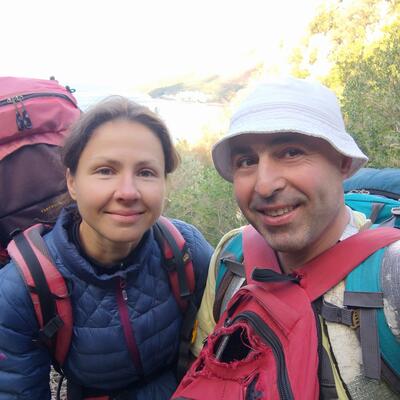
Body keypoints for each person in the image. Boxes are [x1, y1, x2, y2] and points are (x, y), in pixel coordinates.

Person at [191, 77, 400, 398]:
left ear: (343, 163)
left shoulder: (391, 274)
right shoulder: (231, 254)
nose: (264, 185)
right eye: (246, 161)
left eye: (291, 152)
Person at [0, 96, 213, 400]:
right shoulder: (23, 289)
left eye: (146, 172)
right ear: (72, 182)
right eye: (105, 170)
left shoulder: (184, 248)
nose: (128, 192)